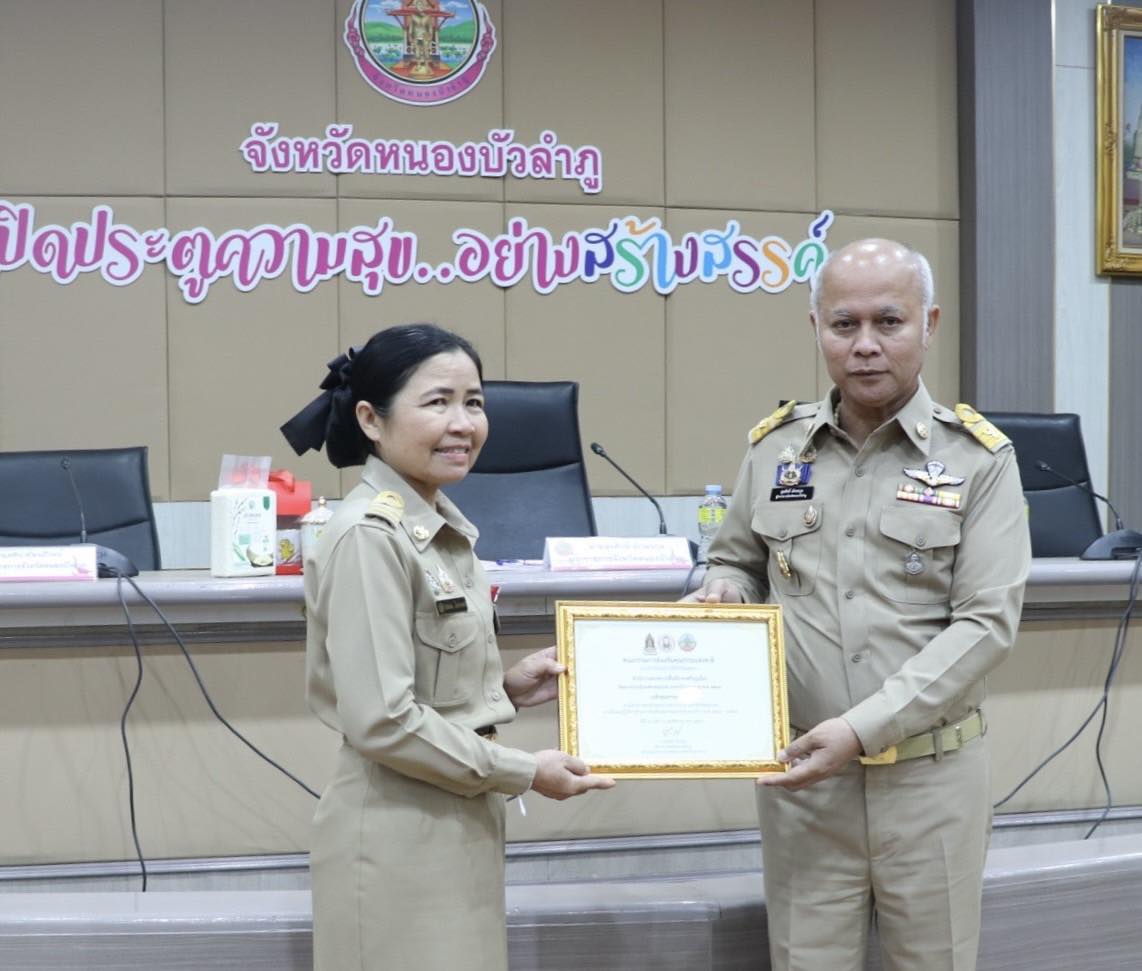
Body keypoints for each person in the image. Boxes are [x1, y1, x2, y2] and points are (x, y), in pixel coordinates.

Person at [687, 239, 1030, 971]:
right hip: (805, 783)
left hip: (931, 779)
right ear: (816, 327)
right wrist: (724, 590)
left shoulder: (979, 459)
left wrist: (860, 728)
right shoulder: (777, 449)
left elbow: (985, 625)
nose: (865, 344)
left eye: (889, 321)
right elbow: (737, 559)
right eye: (844, 324)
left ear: (929, 324)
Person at [281, 323, 614, 971]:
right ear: (371, 419)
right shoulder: (370, 536)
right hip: (396, 840)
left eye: (474, 402)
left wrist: (506, 687)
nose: (463, 423)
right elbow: (383, 719)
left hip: (455, 824)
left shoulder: (438, 529)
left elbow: (419, 682)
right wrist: (526, 771)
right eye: (438, 402)